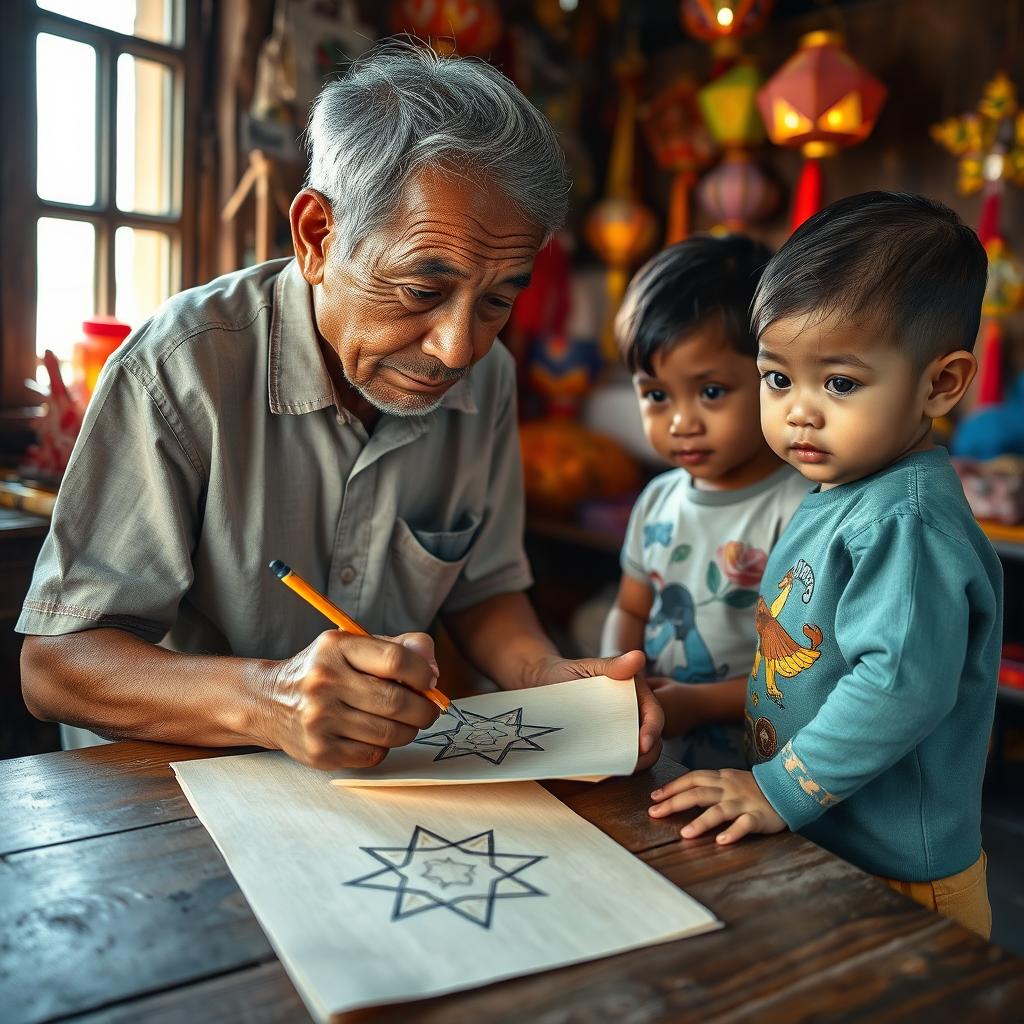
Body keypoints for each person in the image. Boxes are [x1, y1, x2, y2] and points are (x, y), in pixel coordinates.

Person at [18, 41, 662, 770]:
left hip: (373, 785)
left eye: (497, 301)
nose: (458, 349)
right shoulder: (182, 368)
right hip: (166, 789)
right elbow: (54, 667)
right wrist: (271, 699)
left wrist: (542, 679)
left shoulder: (490, 378)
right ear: (317, 236)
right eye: (422, 291)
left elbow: (483, 591)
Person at [649, 192, 1001, 938]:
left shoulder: (905, 522)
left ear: (940, 384)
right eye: (779, 379)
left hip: (904, 875)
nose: (799, 411)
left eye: (839, 383)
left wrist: (777, 792)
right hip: (833, 838)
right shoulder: (843, 491)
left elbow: (898, 686)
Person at [601, 236, 808, 770]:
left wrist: (696, 704)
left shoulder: (802, 508)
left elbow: (807, 672)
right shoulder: (657, 501)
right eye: (656, 394)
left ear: (774, 379)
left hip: (759, 775)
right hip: (658, 750)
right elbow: (630, 607)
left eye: (711, 392)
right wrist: (616, 677)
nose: (681, 422)